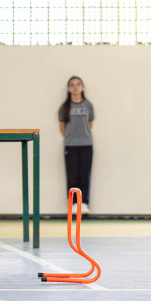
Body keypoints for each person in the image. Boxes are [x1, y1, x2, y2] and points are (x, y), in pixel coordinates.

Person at [59, 76, 94, 213]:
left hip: (86, 144)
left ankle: (84, 203)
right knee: (72, 175)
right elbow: (62, 126)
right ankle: (73, 204)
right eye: (72, 84)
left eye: (78, 84)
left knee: (85, 174)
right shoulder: (65, 107)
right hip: (70, 145)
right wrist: (71, 137)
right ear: (68, 88)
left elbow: (90, 124)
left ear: (83, 87)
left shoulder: (88, 105)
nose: (75, 87)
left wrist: (82, 136)